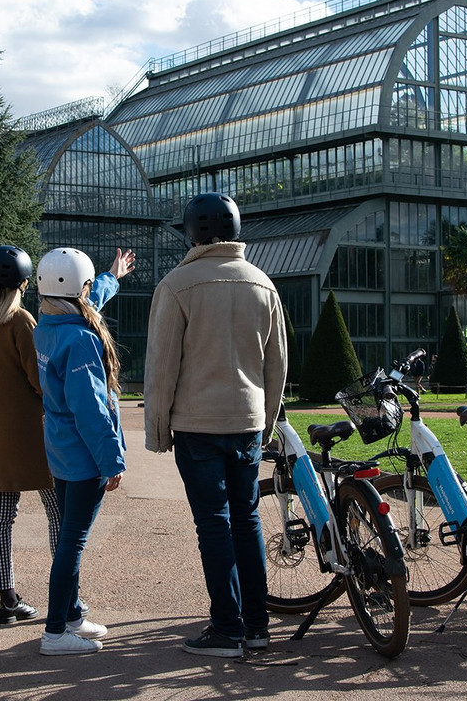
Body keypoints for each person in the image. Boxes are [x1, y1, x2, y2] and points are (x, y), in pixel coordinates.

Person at [144, 192, 287, 659]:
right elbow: (276, 366)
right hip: (246, 419)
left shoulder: (178, 284)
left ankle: (226, 627)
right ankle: (257, 625)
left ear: (192, 232)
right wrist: (265, 423)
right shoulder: (263, 284)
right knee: (247, 521)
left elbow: (162, 366)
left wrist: (157, 428)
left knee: (214, 524)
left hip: (196, 422)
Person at [0, 245, 133, 627]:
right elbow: (43, 381)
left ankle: (7, 597)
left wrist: (110, 279)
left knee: (2, 516)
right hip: (35, 433)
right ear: (23, 283)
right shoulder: (21, 321)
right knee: (61, 517)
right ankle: (67, 597)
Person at [33, 247, 132, 656]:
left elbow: (89, 299)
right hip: (83, 454)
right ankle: (55, 632)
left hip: (59, 448)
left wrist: (112, 276)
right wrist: (112, 460)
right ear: (79, 288)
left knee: (69, 538)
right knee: (72, 541)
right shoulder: (79, 338)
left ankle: (71, 614)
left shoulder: (48, 324)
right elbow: (90, 409)